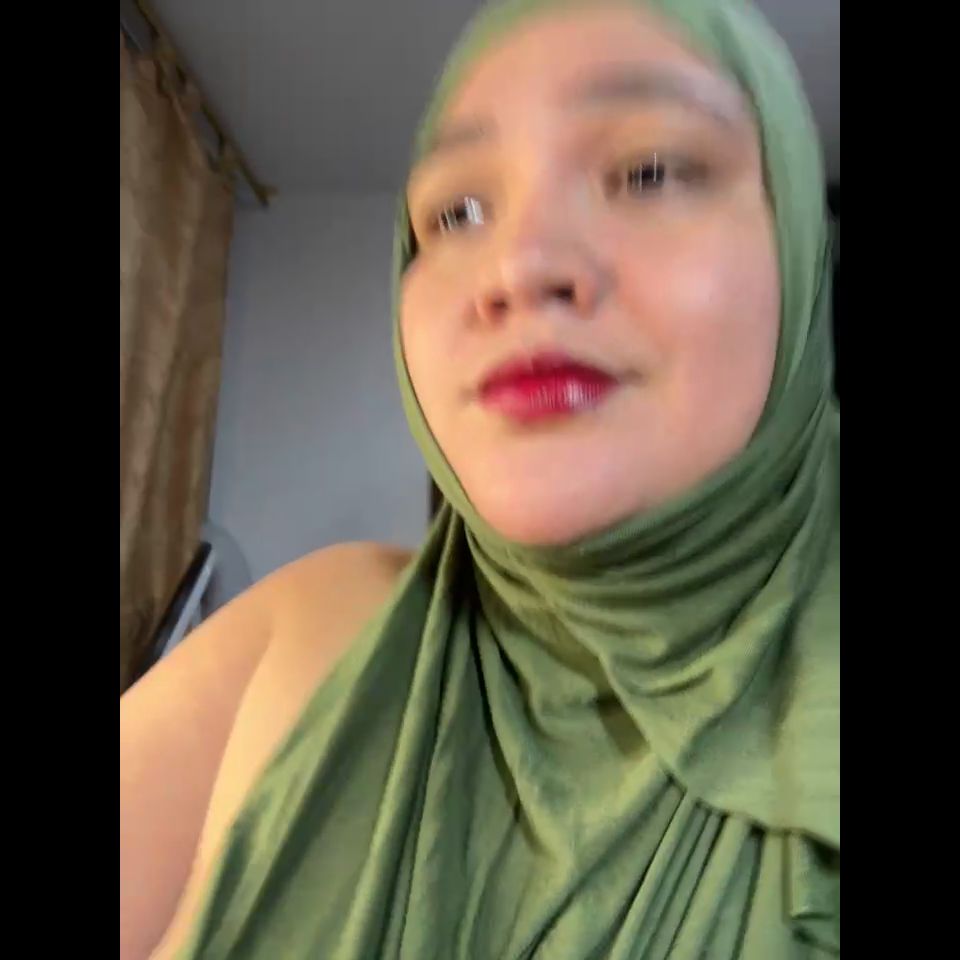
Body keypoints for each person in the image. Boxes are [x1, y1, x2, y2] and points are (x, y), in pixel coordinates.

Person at [120, 0, 840, 956]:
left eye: (649, 171)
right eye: (455, 212)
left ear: (801, 252)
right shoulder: (309, 623)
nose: (518, 266)